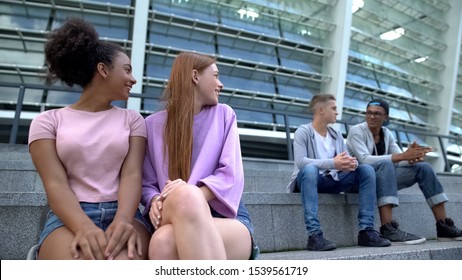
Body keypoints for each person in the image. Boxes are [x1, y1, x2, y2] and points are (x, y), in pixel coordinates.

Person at [28, 17, 151, 260]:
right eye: (127, 69)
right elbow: (55, 184)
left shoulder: (133, 120)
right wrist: (83, 226)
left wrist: (124, 219)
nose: (133, 79)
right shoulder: (47, 122)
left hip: (125, 214)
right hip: (69, 217)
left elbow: (132, 174)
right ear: (103, 70)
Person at [141, 52, 259, 260]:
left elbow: (231, 175)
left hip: (226, 219)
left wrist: (190, 195)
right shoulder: (151, 125)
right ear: (195, 76)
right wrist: (154, 202)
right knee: (166, 230)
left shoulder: (224, 114)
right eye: (215, 75)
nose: (220, 84)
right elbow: (147, 183)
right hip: (169, 212)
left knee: (162, 242)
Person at [346, 99, 462, 244]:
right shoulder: (356, 131)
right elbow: (364, 160)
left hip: (381, 178)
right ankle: (388, 228)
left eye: (377, 114)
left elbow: (400, 159)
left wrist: (413, 157)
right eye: (369, 113)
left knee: (424, 168)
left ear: (386, 117)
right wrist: (402, 156)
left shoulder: (386, 133)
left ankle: (443, 226)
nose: (372, 117)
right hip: (359, 182)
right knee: (387, 164)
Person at [287, 94, 391, 251]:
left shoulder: (336, 135)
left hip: (333, 180)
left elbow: (347, 160)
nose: (337, 112)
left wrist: (351, 163)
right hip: (310, 180)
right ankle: (314, 236)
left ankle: (366, 231)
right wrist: (333, 163)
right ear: (321, 110)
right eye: (334, 108)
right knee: (309, 170)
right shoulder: (303, 132)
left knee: (366, 170)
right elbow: (301, 162)